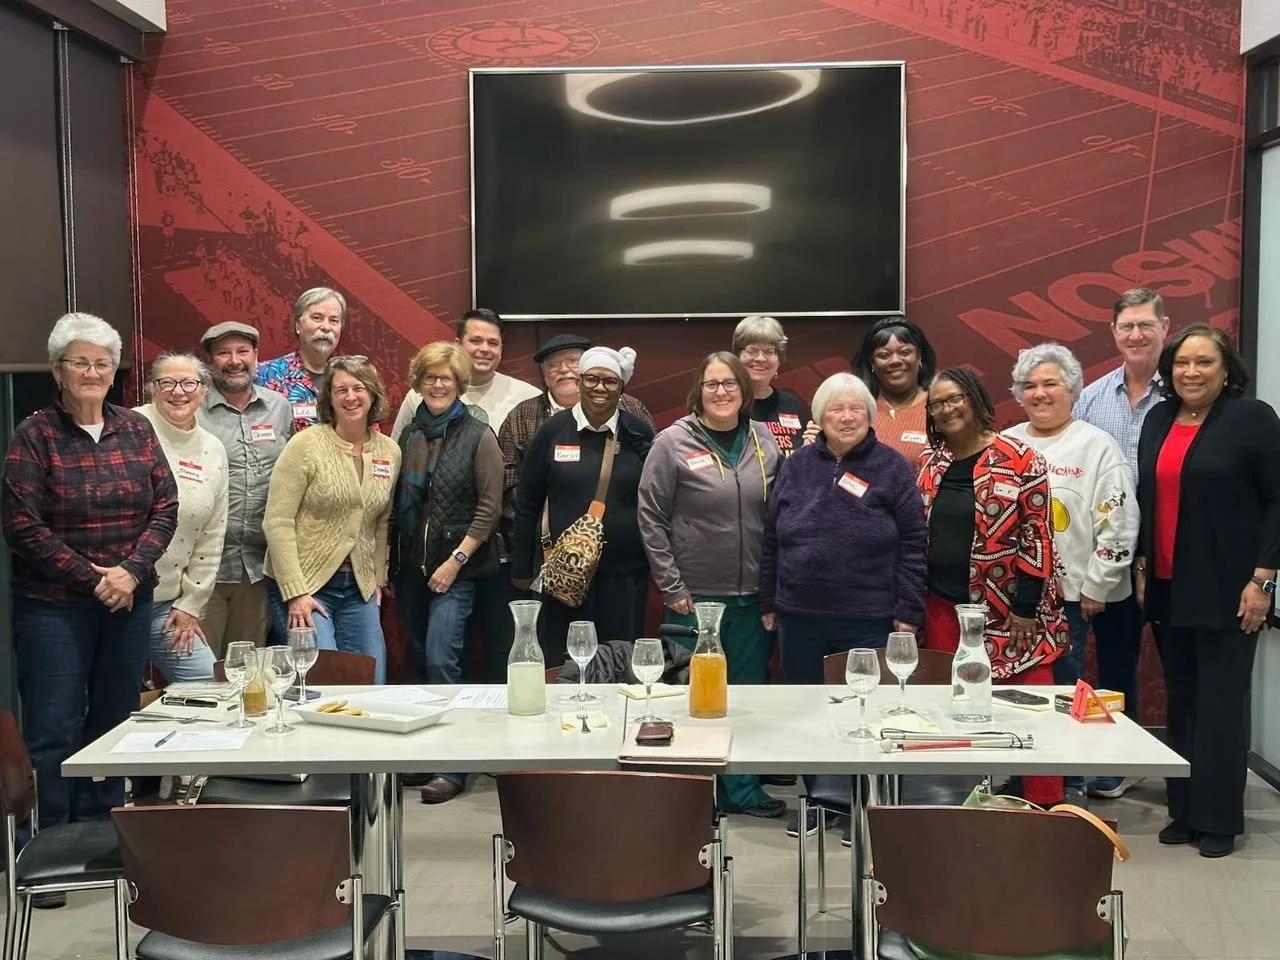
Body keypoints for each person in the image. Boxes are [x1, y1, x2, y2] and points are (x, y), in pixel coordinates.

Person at [2, 313, 178, 870]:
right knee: (54, 728)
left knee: (115, 721)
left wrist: (129, 572)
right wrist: (95, 578)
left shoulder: (136, 428)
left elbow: (166, 507)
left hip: (129, 599)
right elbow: (21, 524)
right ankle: (49, 846)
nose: (93, 371)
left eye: (103, 362)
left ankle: (103, 839)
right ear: (58, 370)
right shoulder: (34, 435)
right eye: (81, 362)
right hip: (53, 608)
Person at [759, 372, 927, 836]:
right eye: (837, 408)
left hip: (869, 616)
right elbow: (771, 537)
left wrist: (909, 611)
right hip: (799, 615)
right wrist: (769, 598)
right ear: (820, 417)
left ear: (871, 416)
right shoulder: (795, 466)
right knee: (806, 710)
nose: (847, 416)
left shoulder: (892, 467)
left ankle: (862, 804)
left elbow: (914, 543)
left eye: (857, 408)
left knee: (864, 713)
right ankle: (818, 800)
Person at [1135, 324, 1280, 859]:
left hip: (1231, 588)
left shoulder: (1251, 420)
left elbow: (1277, 500)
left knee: (1221, 703)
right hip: (1172, 587)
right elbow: (1148, 495)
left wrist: (1263, 579)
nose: (1191, 373)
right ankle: (1186, 810)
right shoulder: (1158, 419)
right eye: (1182, 363)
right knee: (1184, 701)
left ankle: (1219, 817)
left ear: (1226, 370)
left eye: (1203, 363)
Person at [638, 352, 784, 820]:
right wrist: (671, 584)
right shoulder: (672, 442)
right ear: (697, 391)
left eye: (729, 384)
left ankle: (741, 791)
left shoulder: (764, 441)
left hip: (752, 597)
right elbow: (651, 517)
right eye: (711, 384)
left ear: (744, 390)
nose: (721, 392)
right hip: (693, 595)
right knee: (691, 697)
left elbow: (780, 516)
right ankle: (690, 791)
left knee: (744, 696)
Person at [918, 367, 1069, 807]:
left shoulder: (1021, 459)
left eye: (955, 398)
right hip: (945, 609)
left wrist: (1025, 607)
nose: (947, 409)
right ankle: (960, 805)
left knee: (1033, 712)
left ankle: (1045, 807)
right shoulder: (932, 463)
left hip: (1014, 613)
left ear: (976, 398)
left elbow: (1037, 537)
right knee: (953, 711)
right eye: (938, 403)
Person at [491, 334, 654, 680]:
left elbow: (655, 502)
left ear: (621, 387)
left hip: (625, 574)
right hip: (564, 574)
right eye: (592, 378)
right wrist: (522, 568)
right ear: (579, 382)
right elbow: (527, 502)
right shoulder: (552, 431)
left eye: (610, 381)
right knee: (565, 662)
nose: (600, 388)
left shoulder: (638, 432)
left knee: (620, 662)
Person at [390, 342, 502, 805]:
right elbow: (395, 504)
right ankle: (427, 755)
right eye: (431, 377)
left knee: (442, 659)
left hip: (459, 570)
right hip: (411, 572)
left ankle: (452, 767)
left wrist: (455, 560)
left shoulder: (478, 433)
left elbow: (490, 507)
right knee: (419, 662)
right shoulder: (408, 436)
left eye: (447, 378)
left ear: (460, 384)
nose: (439, 385)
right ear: (419, 383)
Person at [1073, 287, 1169, 799]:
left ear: (1164, 328)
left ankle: (1126, 754)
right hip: (1104, 552)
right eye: (1127, 327)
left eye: (1145, 326)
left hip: (1168, 545)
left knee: (1132, 658)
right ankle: (1096, 757)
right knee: (1103, 658)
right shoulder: (1091, 396)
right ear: (1114, 333)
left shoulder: (1180, 393)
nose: (1135, 335)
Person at [263, 356, 400, 683]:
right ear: (329, 398)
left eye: (358, 388)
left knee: (371, 679)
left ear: (372, 394)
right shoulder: (306, 445)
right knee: (324, 680)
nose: (350, 397)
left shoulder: (389, 451)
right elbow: (277, 521)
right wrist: (296, 592)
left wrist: (377, 578)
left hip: (358, 589)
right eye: (341, 390)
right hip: (307, 584)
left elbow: (382, 522)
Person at [198, 321, 294, 655]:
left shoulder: (280, 407)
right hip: (204, 569)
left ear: (256, 356)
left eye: (242, 351)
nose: (234, 360)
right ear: (211, 361)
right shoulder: (192, 410)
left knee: (245, 671)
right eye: (224, 353)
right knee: (201, 675)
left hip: (257, 568)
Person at [135, 353, 229, 682]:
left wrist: (191, 603)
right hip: (114, 602)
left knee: (209, 686)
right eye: (167, 383)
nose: (179, 391)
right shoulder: (128, 430)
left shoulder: (213, 449)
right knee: (110, 702)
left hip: (166, 606)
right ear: (152, 389)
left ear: (203, 390)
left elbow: (212, 533)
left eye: (189, 383)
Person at [391, 308, 540, 441]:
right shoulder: (422, 395)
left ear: (501, 349)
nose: (485, 349)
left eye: (493, 343)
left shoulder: (528, 398)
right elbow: (396, 453)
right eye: (476, 341)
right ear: (458, 344)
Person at [257, 287, 346, 433]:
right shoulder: (267, 375)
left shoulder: (350, 378)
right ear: (298, 325)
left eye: (334, 320)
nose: (325, 327)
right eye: (317, 318)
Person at [851, 314, 937, 462]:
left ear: (920, 357)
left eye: (905, 352)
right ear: (872, 363)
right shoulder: (854, 408)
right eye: (884, 355)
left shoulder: (938, 406)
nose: (895, 361)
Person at [733, 315, 811, 457]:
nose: (760, 358)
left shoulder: (793, 404)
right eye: (752, 350)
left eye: (769, 351)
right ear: (737, 356)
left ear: (779, 360)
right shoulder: (726, 404)